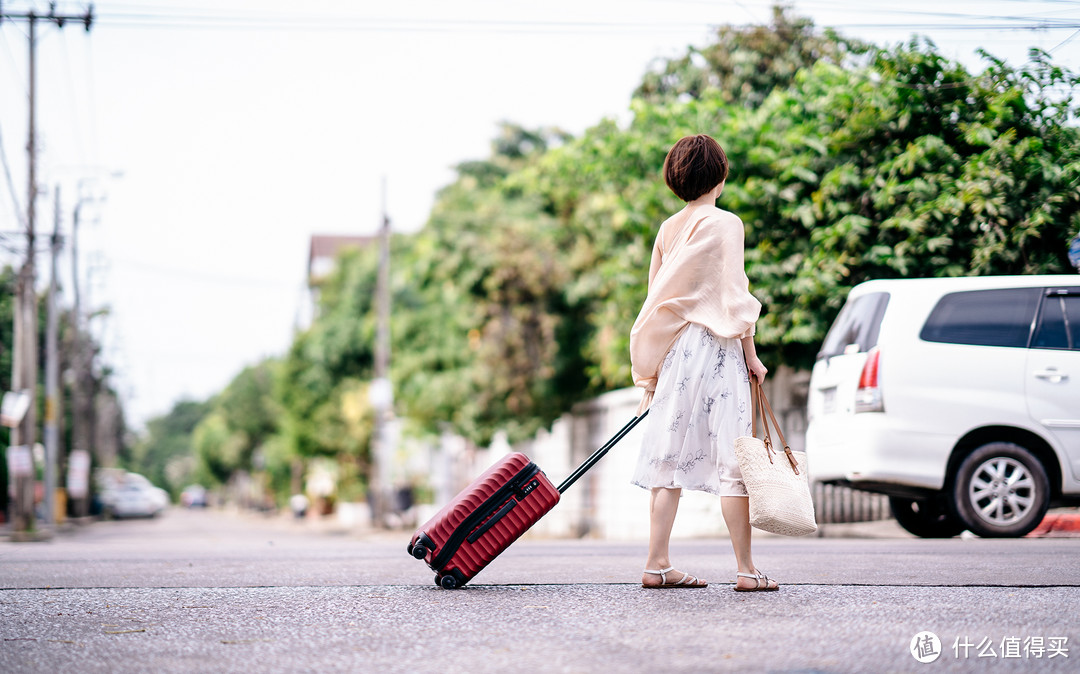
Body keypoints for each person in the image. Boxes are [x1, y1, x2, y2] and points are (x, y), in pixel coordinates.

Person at [629, 134, 777, 592]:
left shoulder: (668, 229)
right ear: (721, 175)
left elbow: (656, 299)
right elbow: (733, 295)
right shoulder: (727, 223)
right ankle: (747, 571)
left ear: (675, 178)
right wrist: (752, 355)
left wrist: (651, 371)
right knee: (735, 457)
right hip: (717, 347)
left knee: (667, 457)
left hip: (676, 351)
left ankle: (656, 564)